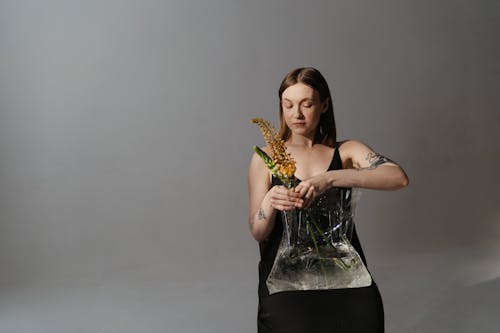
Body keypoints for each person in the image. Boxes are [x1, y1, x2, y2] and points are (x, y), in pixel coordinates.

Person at [247, 67, 409, 333]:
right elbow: (257, 231)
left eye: (306, 104)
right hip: (286, 276)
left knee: (366, 316)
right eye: (288, 105)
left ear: (324, 105)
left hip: (343, 271)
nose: (296, 114)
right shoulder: (266, 157)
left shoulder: (346, 150)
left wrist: (330, 179)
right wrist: (269, 202)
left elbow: (397, 177)